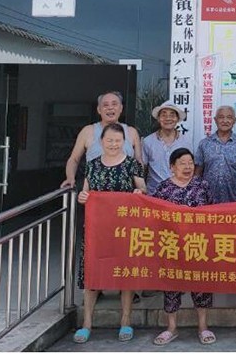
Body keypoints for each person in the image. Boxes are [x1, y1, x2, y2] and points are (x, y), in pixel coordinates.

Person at [72, 123, 146, 344]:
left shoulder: (133, 164)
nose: (113, 144)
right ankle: (87, 324)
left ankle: (125, 321)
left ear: (124, 142)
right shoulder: (92, 165)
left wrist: (138, 192)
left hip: (125, 229)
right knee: (92, 273)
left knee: (125, 274)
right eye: (109, 140)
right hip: (97, 230)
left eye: (118, 140)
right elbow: (85, 192)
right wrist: (82, 197)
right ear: (101, 142)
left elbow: (143, 189)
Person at [149, 148, 215, 346]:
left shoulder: (202, 185)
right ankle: (171, 328)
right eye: (182, 163)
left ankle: (203, 327)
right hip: (172, 245)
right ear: (172, 167)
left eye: (190, 163)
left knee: (201, 285)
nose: (187, 167)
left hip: (198, 244)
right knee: (171, 285)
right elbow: (153, 215)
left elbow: (214, 211)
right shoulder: (163, 188)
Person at [61, 90, 142, 189]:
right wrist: (70, 178)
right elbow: (74, 159)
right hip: (94, 191)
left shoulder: (131, 132)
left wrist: (140, 187)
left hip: (125, 192)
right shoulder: (88, 131)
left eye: (114, 104)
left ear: (121, 108)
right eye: (105, 105)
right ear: (99, 110)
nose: (110, 108)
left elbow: (139, 161)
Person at [194, 105, 236, 204]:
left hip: (234, 199)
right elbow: (198, 172)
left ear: (234, 120)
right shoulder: (204, 143)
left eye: (229, 117)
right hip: (208, 200)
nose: (225, 121)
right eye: (221, 117)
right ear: (215, 120)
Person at [142, 101, 191, 195]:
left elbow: (189, 169)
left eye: (172, 115)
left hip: (179, 194)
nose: (168, 118)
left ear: (177, 119)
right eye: (164, 115)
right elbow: (143, 169)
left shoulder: (186, 142)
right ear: (158, 119)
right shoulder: (148, 141)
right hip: (154, 194)